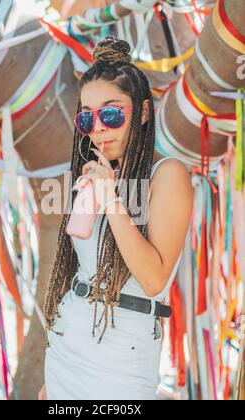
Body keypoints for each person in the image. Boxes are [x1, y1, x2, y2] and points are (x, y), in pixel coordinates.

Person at [39, 37, 194, 400]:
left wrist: (112, 200)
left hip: (122, 354)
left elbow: (154, 278)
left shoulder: (167, 175)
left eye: (111, 113)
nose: (99, 127)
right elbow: (83, 267)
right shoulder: (97, 173)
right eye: (87, 117)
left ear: (141, 112)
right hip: (67, 344)